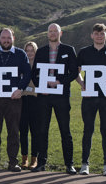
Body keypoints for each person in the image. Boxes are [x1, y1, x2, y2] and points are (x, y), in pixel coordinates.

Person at [76, 23, 106, 176]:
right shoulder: (84, 52)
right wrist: (82, 84)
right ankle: (85, 164)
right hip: (89, 97)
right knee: (88, 130)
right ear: (92, 35)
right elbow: (76, 72)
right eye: (96, 33)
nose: (99, 36)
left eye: (102, 33)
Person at [32, 24, 79, 174]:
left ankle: (69, 164)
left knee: (65, 130)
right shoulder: (41, 51)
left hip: (61, 96)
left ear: (61, 33)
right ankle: (41, 163)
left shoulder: (68, 50)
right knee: (42, 130)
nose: (52, 33)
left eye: (55, 31)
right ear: (47, 34)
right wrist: (42, 86)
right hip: (44, 97)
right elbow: (34, 73)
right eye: (50, 31)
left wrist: (59, 82)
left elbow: (73, 72)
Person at [0, 28, 31, 172]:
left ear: (13, 38)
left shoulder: (20, 54)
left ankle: (13, 162)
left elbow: (27, 74)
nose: (6, 40)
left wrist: (20, 89)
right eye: (3, 38)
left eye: (8, 38)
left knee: (14, 131)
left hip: (13, 99)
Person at [20, 42, 38, 170]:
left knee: (35, 131)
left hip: (35, 100)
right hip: (22, 100)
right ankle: (24, 158)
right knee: (23, 131)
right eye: (27, 50)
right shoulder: (21, 64)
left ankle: (34, 158)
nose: (30, 53)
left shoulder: (39, 65)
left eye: (32, 50)